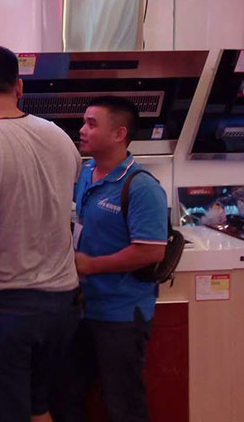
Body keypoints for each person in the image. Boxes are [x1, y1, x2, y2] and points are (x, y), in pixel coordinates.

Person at [0, 46, 81, 422]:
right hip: (63, 304)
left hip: (8, 309)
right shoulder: (59, 138)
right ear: (19, 87)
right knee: (39, 408)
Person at [60, 96, 168, 422]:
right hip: (81, 308)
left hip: (121, 314)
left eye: (92, 124)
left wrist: (92, 265)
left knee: (122, 403)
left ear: (119, 134)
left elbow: (151, 251)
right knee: (66, 396)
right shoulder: (84, 173)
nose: (82, 130)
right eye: (83, 122)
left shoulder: (141, 187)